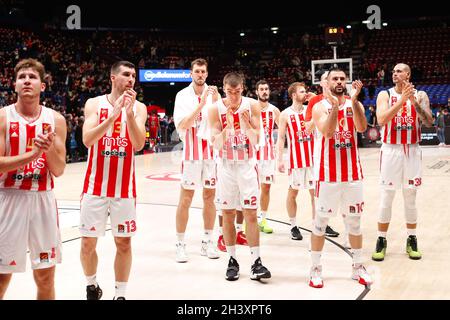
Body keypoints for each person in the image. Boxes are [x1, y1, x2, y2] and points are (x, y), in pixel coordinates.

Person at [80, 61, 147, 300]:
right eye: (126, 75)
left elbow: (138, 144)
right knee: (88, 244)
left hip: (124, 190)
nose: (131, 79)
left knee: (124, 244)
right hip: (94, 187)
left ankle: (120, 294)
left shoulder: (139, 108)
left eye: (133, 76)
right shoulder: (94, 104)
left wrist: (127, 114)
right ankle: (91, 285)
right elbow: (87, 140)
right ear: (112, 78)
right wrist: (113, 116)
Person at [0, 58, 67, 299]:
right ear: (14, 85)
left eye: (32, 77)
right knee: (1, 276)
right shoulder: (3, 118)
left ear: (43, 86)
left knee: (46, 277)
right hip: (8, 198)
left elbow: (58, 170)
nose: (27, 80)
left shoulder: (56, 120)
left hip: (42, 200)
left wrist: (47, 150)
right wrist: (33, 154)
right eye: (22, 77)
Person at [309, 68, 371, 288]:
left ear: (347, 82)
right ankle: (315, 269)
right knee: (320, 224)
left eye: (342, 79)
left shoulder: (356, 103)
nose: (338, 82)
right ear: (326, 83)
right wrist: (335, 107)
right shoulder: (319, 107)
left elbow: (362, 127)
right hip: (327, 176)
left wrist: (353, 103)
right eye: (334, 78)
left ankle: (357, 266)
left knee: (354, 222)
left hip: (353, 175)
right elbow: (327, 132)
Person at [209, 72, 271, 281]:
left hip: (246, 165)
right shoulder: (215, 108)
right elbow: (215, 144)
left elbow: (256, 141)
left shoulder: (252, 105)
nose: (233, 96)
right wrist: (227, 128)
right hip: (226, 166)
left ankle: (256, 261)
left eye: (237, 92)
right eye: (229, 92)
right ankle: (232, 260)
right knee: (227, 214)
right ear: (223, 89)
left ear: (242, 88)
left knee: (251, 213)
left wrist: (245, 126)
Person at [372, 63, 433, 261]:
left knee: (410, 196)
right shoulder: (385, 95)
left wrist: (413, 102)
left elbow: (429, 121)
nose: (395, 74)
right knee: (387, 195)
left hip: (412, 150)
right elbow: (381, 119)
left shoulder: (421, 95)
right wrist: (402, 101)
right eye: (393, 71)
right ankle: (381, 240)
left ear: (408, 74)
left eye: (399, 71)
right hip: (391, 150)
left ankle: (412, 239)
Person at [173, 58, 220, 263]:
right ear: (190, 74)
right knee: (186, 199)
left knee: (210, 198)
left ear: (207, 74)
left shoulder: (215, 95)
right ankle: (180, 244)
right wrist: (201, 105)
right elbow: (182, 124)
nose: (200, 74)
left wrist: (217, 103)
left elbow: (220, 125)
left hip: (210, 154)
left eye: (203, 72)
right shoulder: (182, 95)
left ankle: (207, 241)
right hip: (191, 153)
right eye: (197, 71)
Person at [277, 82, 315, 241]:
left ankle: (317, 225)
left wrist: (315, 101)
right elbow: (280, 138)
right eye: (301, 91)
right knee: (293, 193)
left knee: (316, 194)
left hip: (313, 159)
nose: (305, 93)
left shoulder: (311, 110)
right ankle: (293, 225)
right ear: (293, 95)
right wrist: (279, 159)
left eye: (305, 91)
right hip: (296, 160)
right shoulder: (285, 114)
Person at [304, 71, 340, 238]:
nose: (331, 82)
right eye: (328, 79)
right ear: (323, 83)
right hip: (322, 152)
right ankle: (320, 224)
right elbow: (307, 128)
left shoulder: (344, 100)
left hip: (341, 151)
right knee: (321, 191)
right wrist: (321, 116)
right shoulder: (315, 101)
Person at [255, 80, 280, 234]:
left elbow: (284, 130)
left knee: (266, 187)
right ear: (257, 92)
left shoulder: (275, 111)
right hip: (253, 154)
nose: (264, 91)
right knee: (250, 188)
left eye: (266, 89)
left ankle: (263, 220)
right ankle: (247, 221)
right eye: (261, 89)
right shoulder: (251, 108)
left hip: (269, 155)